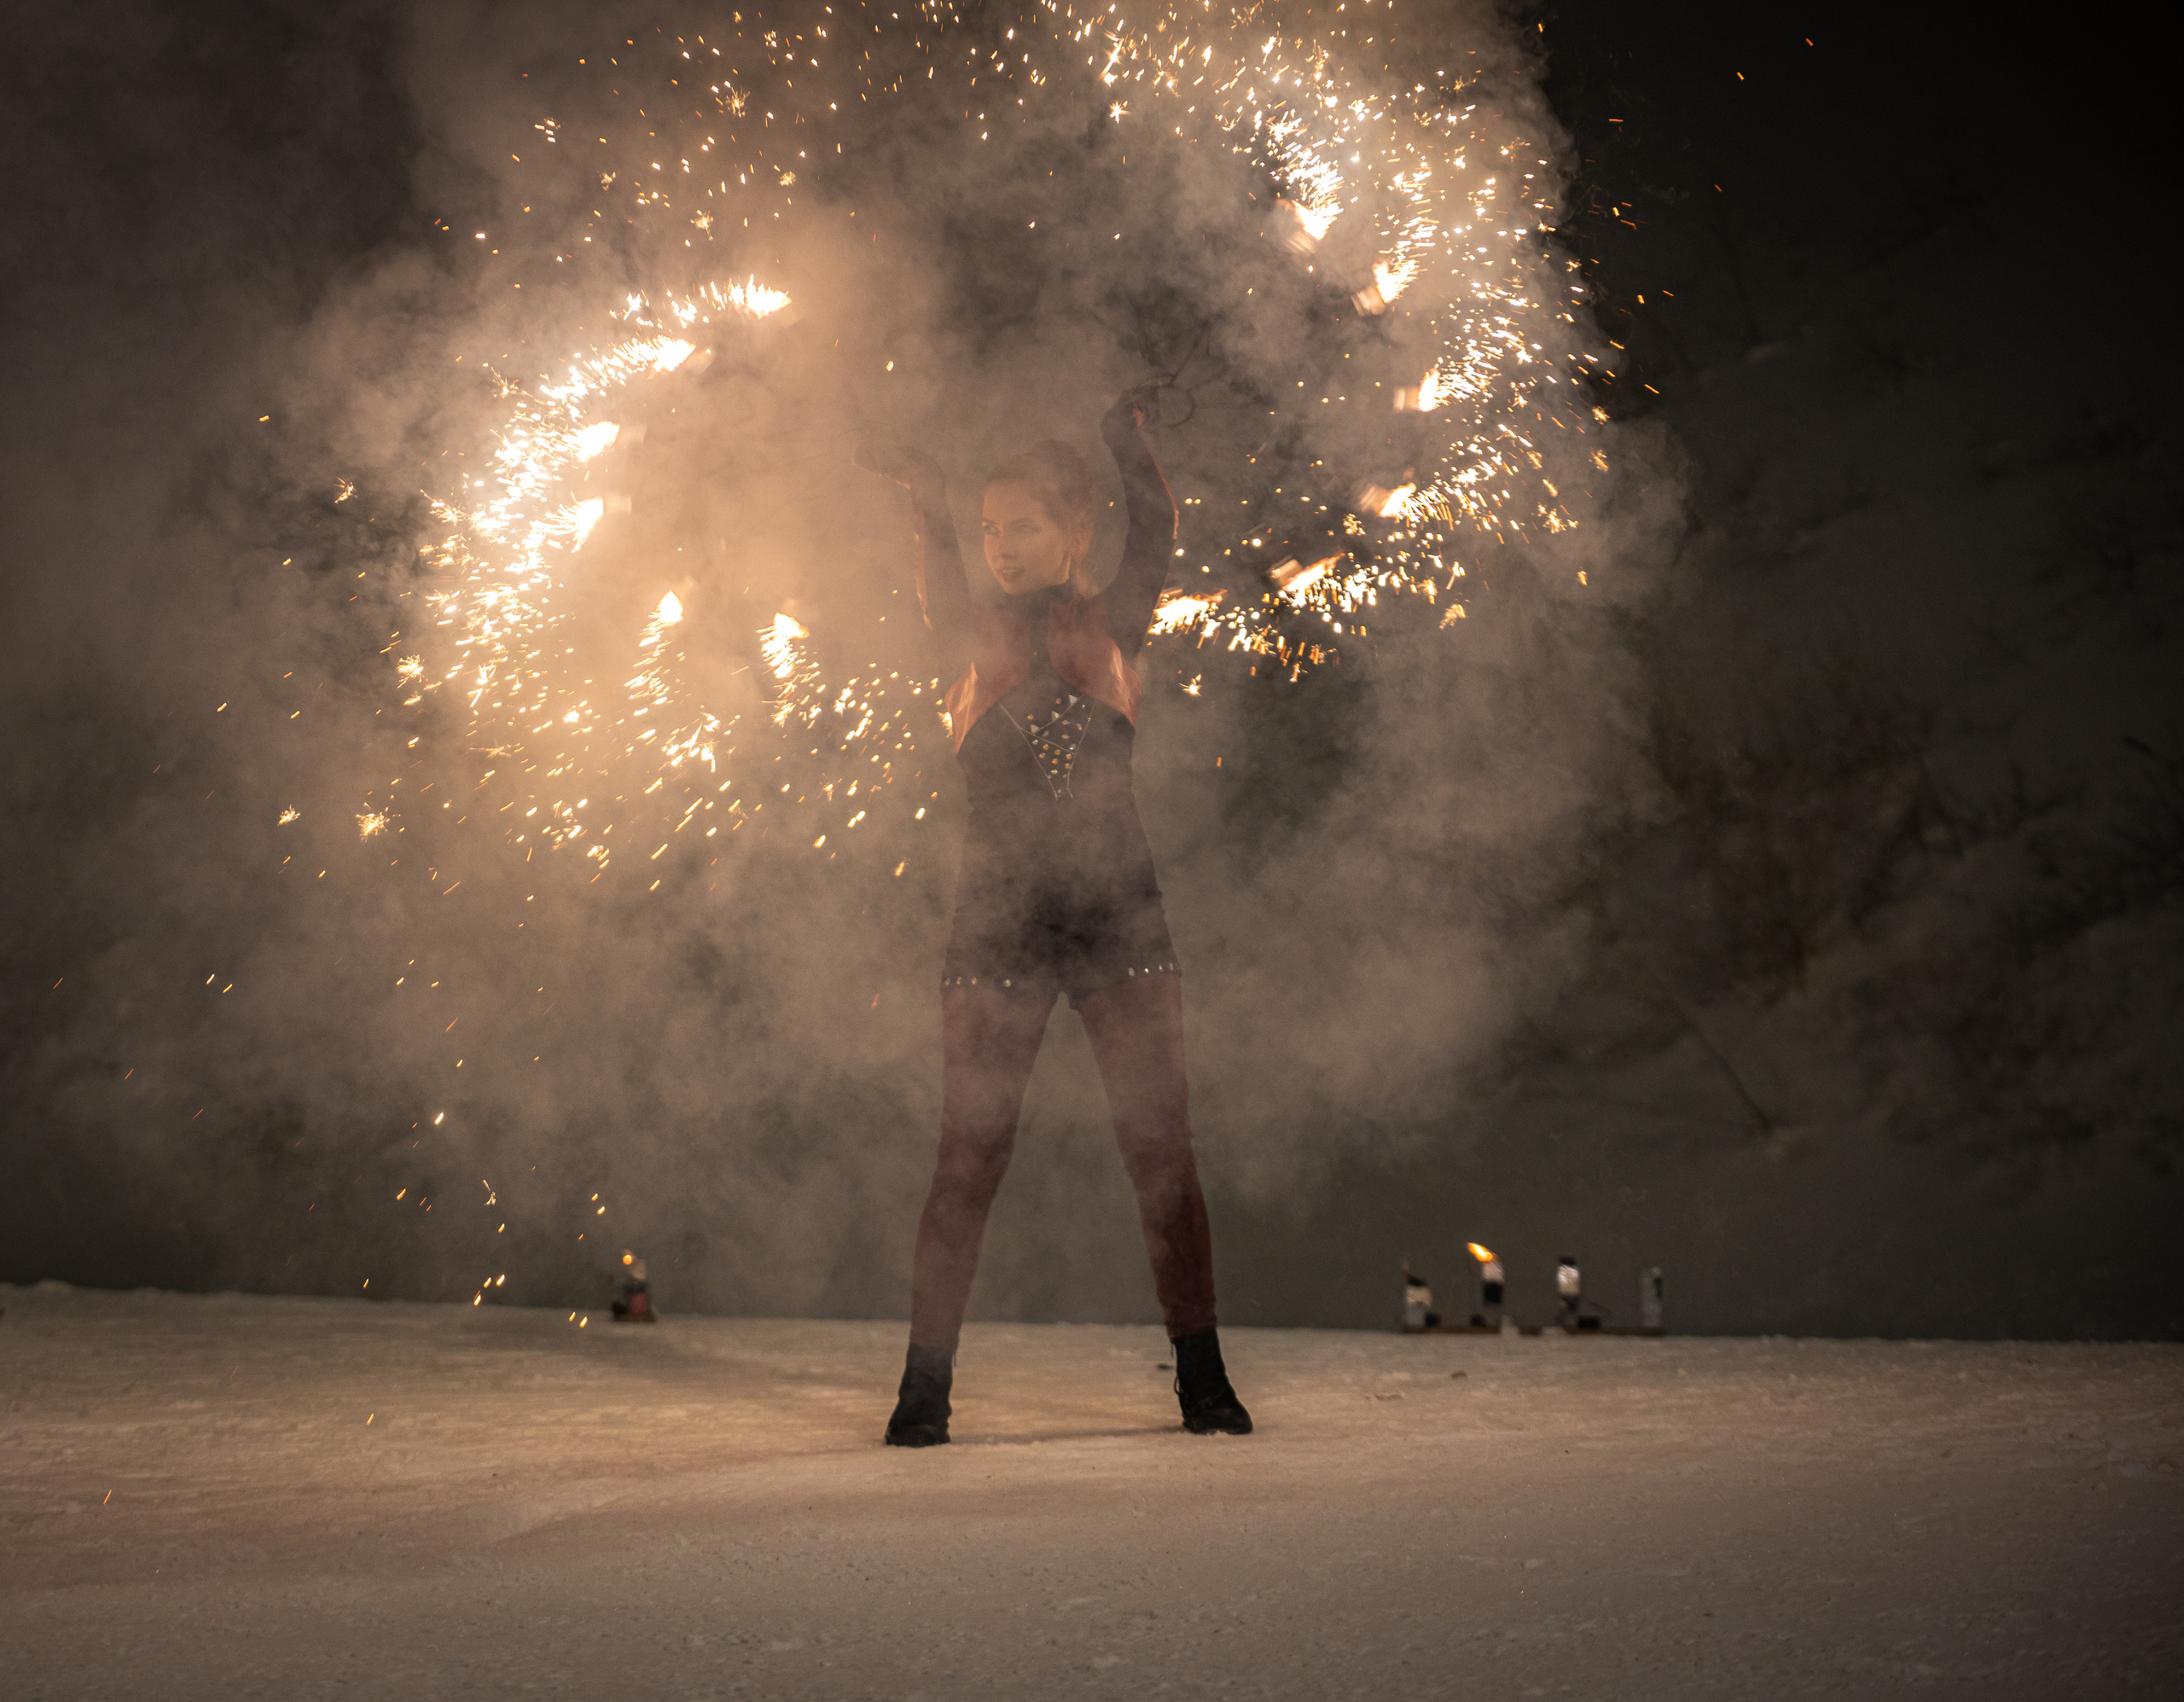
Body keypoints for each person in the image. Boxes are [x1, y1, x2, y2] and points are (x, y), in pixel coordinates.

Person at [863, 387, 1252, 1445]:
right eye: (990, 530)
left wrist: (1124, 437)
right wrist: (922, 494)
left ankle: (1203, 1381)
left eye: (1021, 525)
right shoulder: (961, 627)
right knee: (967, 1157)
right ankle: (923, 1389)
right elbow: (934, 558)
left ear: (1074, 531)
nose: (1000, 546)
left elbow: (1161, 526)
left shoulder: (1113, 618)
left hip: (1120, 919)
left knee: (1161, 1150)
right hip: (996, 931)